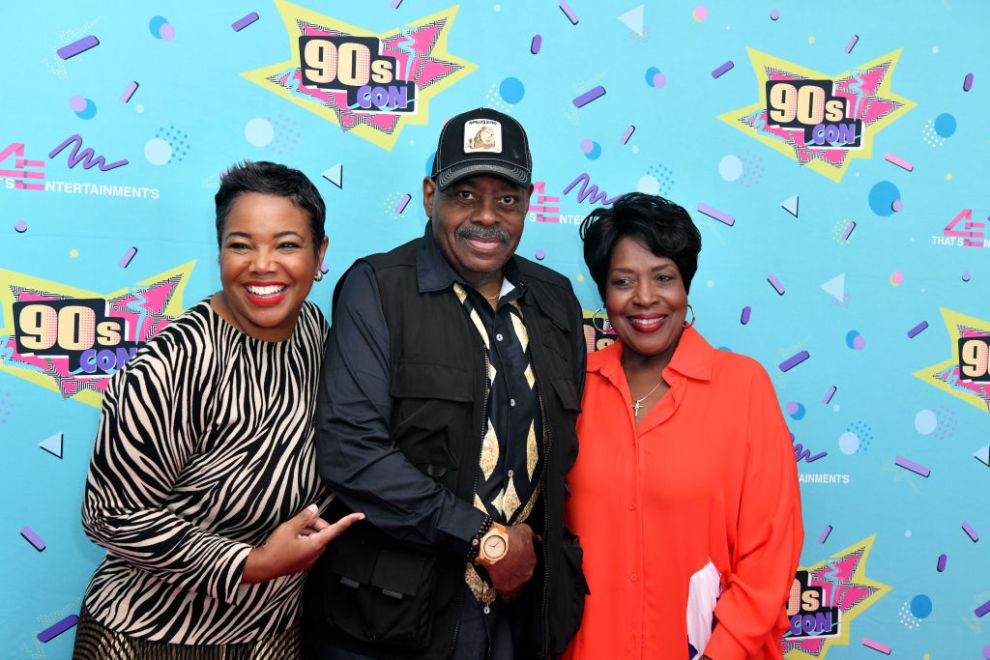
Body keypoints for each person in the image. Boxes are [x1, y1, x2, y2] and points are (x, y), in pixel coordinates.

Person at [303, 108, 588, 659]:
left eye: (506, 199)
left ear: (528, 204)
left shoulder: (555, 303)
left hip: (516, 618)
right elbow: (353, 452)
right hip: (389, 622)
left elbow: (562, 460)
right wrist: (486, 538)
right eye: (464, 195)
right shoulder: (377, 288)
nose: (487, 217)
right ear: (431, 194)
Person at [73, 161, 363, 659]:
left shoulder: (316, 331)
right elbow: (109, 516)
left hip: (269, 637)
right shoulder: (175, 363)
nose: (262, 264)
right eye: (241, 244)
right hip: (147, 638)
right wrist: (249, 564)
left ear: (321, 255)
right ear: (220, 252)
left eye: (287, 244)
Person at [565, 193, 803, 659]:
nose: (646, 298)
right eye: (623, 281)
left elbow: (771, 550)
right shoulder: (573, 390)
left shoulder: (743, 387)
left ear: (685, 285)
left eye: (664, 278)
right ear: (604, 293)